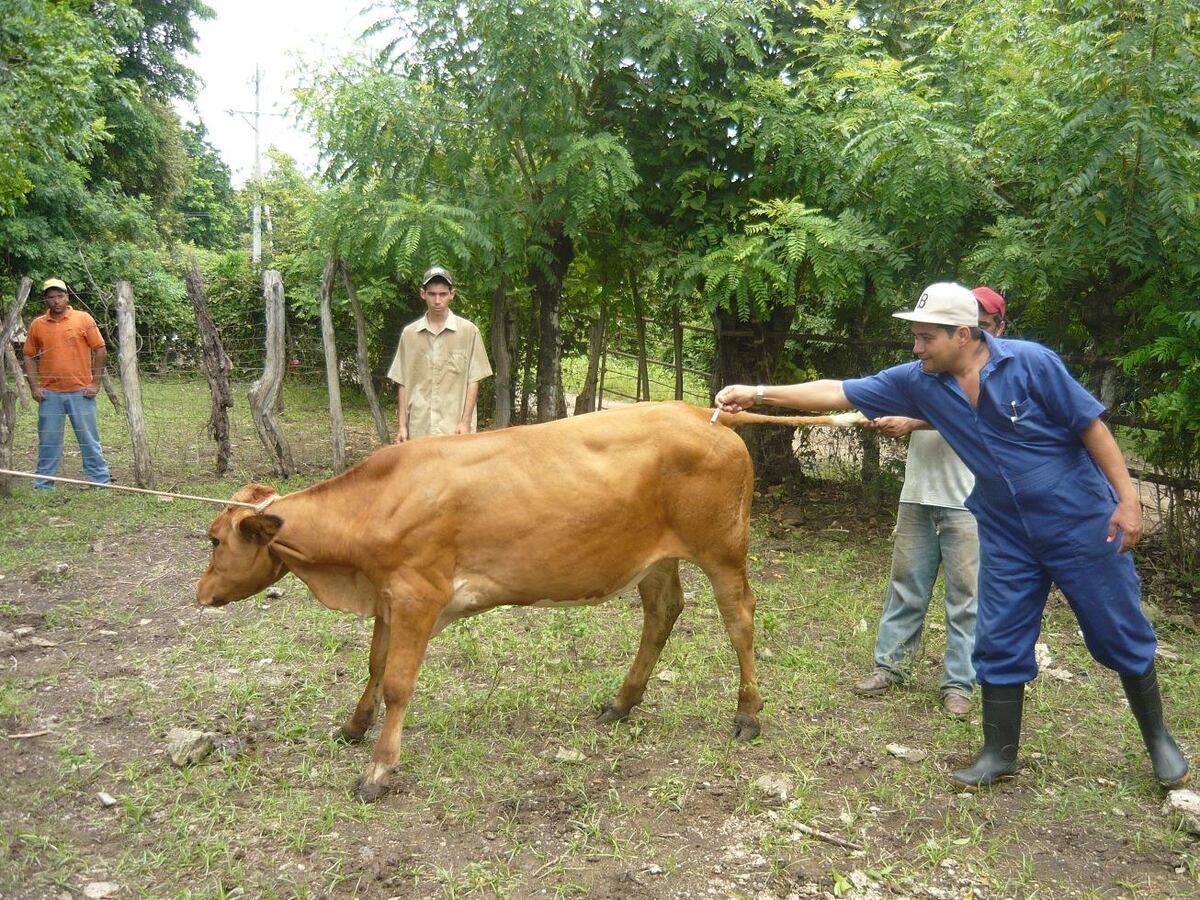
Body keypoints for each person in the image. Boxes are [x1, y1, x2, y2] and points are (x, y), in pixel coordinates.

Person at [716, 282, 1189, 791]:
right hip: (1006, 531)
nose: (916, 349)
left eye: (926, 338)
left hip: (1080, 521)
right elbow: (839, 389)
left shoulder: (1031, 364)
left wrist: (1128, 499)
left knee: (1117, 628)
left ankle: (1159, 739)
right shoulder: (922, 382)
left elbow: (1090, 426)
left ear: (962, 334)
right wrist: (759, 392)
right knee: (1000, 634)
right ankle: (998, 753)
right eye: (915, 338)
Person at [854, 287, 1008, 720]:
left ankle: (959, 684)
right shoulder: (923, 375)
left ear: (993, 330)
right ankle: (891, 666)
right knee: (906, 582)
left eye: (986, 324)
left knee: (967, 596)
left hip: (968, 499)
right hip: (919, 490)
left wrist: (914, 420)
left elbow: (977, 420)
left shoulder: (999, 373)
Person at [21, 278, 111, 489]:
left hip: (81, 392)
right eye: (51, 297)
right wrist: (35, 387)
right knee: (48, 442)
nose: (56, 301)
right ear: (45, 300)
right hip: (49, 394)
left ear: (67, 297)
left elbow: (100, 349)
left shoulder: (83, 319)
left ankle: (100, 482)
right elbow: (28, 356)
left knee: (89, 440)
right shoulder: (38, 325)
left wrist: (95, 383)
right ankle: (44, 485)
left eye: (60, 296)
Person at [387, 266, 493, 441]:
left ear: (452, 294)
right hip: (419, 430)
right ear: (423, 294)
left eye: (443, 294)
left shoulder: (469, 332)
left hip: (454, 431)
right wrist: (402, 426)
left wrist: (465, 422)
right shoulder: (409, 334)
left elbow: (474, 380)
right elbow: (402, 382)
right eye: (432, 294)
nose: (437, 300)